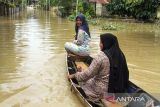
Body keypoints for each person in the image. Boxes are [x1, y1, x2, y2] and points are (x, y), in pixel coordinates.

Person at [68, 33, 129, 102]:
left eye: (101, 42)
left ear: (106, 43)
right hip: (117, 89)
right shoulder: (120, 55)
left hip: (101, 92)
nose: (99, 45)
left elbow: (87, 75)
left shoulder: (101, 57)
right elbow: (125, 73)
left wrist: (75, 75)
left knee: (83, 81)